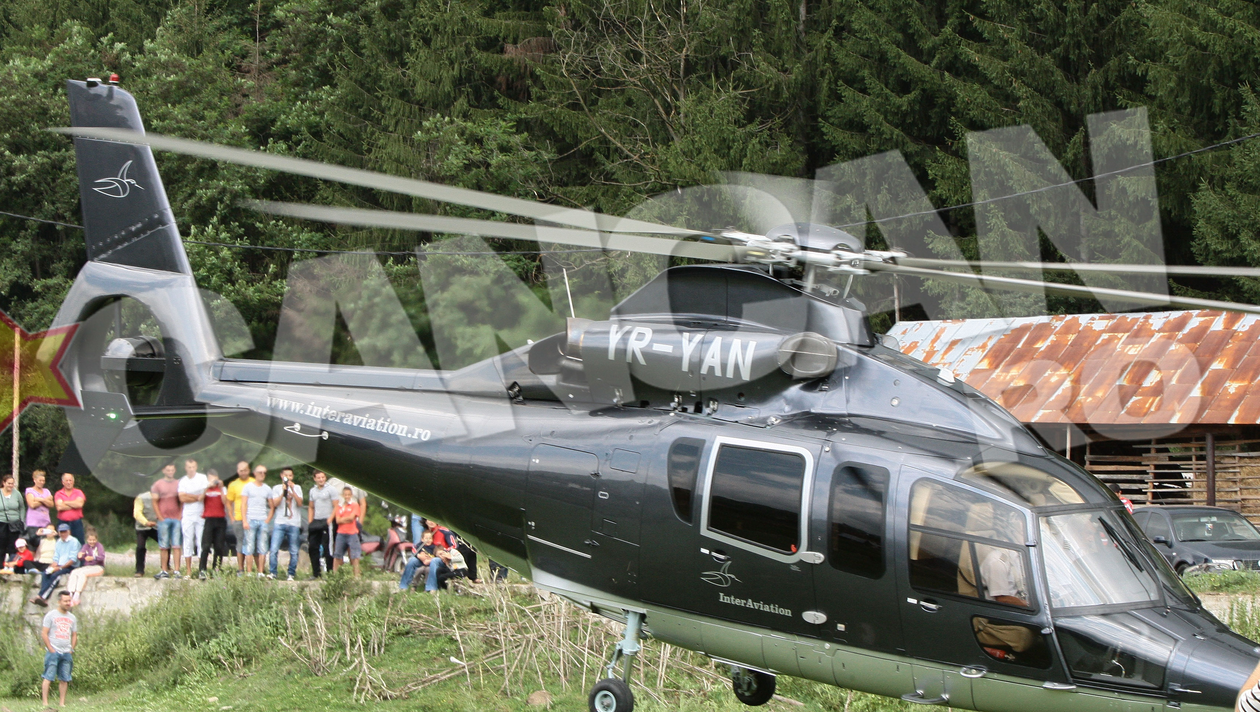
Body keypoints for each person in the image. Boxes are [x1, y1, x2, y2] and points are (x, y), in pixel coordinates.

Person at [41, 590, 77, 709]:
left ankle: (62, 703)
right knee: (48, 677)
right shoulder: (51, 615)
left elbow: (74, 634)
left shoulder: (72, 617)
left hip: (66, 652)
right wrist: (50, 649)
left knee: (64, 678)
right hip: (53, 651)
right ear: (59, 601)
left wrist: (71, 649)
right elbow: (44, 633)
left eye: (69, 601)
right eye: (65, 601)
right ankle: (45, 702)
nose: (68, 603)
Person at [30, 524, 80, 607]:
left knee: (55, 576)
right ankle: (42, 598)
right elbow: (56, 557)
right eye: (61, 532)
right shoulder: (59, 542)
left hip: (70, 566)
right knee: (45, 573)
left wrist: (60, 568)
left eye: (64, 532)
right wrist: (53, 566)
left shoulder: (74, 542)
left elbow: (72, 560)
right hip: (59, 564)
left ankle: (41, 596)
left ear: (69, 532)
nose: (63, 534)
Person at [267, 468, 303, 580]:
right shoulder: (276, 488)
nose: (288, 478)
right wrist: (283, 492)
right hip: (280, 522)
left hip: (294, 523)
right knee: (274, 549)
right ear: (281, 476)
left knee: (294, 550)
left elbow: (300, 503)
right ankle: (273, 572)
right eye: (286, 475)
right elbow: (275, 504)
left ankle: (291, 574)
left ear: (293, 477)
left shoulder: (297, 487)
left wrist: (293, 490)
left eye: (290, 475)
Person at [177, 458, 208, 576]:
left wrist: (189, 496)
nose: (191, 469)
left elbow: (204, 495)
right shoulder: (183, 481)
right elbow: (182, 498)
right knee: (187, 541)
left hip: (200, 514)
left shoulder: (202, 478)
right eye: (189, 467)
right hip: (187, 514)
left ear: (196, 467)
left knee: (200, 541)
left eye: (193, 467)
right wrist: (196, 497)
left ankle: (201, 570)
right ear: (186, 468)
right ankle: (188, 571)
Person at [150, 464, 182, 579]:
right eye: (168, 470)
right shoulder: (158, 484)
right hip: (163, 518)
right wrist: (159, 517)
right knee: (163, 546)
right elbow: (154, 502)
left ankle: (177, 570)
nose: (170, 472)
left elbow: (182, 500)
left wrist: (180, 515)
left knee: (176, 545)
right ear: (164, 470)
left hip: (176, 518)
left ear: (175, 470)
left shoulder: (179, 484)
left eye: (172, 470)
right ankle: (164, 570)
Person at [240, 465, 272, 577]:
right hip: (250, 519)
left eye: (264, 473)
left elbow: (272, 506)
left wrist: (267, 520)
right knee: (249, 546)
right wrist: (245, 520)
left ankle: (260, 572)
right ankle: (249, 572)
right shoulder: (248, 487)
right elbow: (243, 504)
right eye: (260, 472)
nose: (262, 474)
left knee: (262, 547)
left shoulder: (267, 488)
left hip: (262, 520)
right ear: (255, 473)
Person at [307, 471, 336, 578]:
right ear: (314, 478)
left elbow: (336, 506)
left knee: (327, 547)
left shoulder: (331, 489)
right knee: (312, 547)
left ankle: (330, 573)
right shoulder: (312, 491)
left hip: (327, 520)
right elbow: (311, 506)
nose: (321, 479)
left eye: (323, 477)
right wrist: (310, 521)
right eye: (318, 477)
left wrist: (330, 520)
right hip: (316, 520)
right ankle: (316, 573)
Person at [199, 471, 228, 578]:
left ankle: (216, 569)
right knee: (206, 546)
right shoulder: (205, 488)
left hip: (220, 519)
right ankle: (202, 570)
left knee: (219, 546)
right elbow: (200, 499)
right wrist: (207, 487)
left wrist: (221, 488)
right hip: (209, 519)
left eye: (215, 479)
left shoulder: (222, 489)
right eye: (211, 479)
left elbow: (225, 502)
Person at [66, 528, 104, 607]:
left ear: (96, 539)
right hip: (87, 566)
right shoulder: (85, 546)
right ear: (87, 540)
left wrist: (93, 558)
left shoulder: (99, 546)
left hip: (98, 567)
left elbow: (102, 557)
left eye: (93, 540)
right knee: (74, 572)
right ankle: (70, 592)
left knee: (83, 574)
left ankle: (77, 594)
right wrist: (80, 556)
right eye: (90, 540)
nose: (92, 542)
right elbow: (81, 556)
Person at [225, 460, 251, 574]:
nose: (243, 472)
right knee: (240, 543)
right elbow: (228, 502)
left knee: (251, 543)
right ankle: (240, 569)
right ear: (237, 471)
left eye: (245, 470)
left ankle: (253, 570)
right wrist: (231, 517)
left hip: (251, 518)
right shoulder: (233, 485)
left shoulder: (253, 482)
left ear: (249, 470)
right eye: (241, 471)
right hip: (239, 518)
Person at [332, 486, 361, 577]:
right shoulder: (339, 507)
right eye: (345, 495)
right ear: (342, 495)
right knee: (337, 555)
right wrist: (346, 519)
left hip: (352, 533)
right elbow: (337, 520)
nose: (347, 496)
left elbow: (352, 518)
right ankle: (335, 576)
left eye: (349, 495)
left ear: (351, 495)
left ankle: (356, 576)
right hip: (341, 533)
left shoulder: (355, 505)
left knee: (355, 556)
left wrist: (343, 519)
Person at [53, 473, 86, 546]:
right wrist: (74, 505)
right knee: (62, 543)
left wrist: (65, 502)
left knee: (79, 542)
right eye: (66, 480)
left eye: (70, 480)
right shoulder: (58, 493)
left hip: (76, 523)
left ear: (73, 482)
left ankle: (80, 554)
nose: (68, 482)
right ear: (63, 482)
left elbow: (79, 504)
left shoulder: (79, 492)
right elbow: (59, 507)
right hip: (62, 522)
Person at [132, 490, 159, 577]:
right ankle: (139, 570)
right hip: (142, 527)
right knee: (140, 547)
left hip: (156, 526)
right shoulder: (141, 497)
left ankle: (166, 567)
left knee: (165, 544)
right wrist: (146, 522)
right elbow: (137, 513)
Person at [0, 473, 25, 560]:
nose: (11, 485)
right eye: (9, 483)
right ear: (4, 483)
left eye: (12, 483)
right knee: (1, 545)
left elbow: (22, 507)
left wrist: (21, 520)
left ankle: (12, 564)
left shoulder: (17, 494)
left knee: (13, 546)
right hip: (1, 523)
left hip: (14, 524)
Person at [24, 469, 52, 543]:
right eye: (40, 480)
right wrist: (45, 500)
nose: (42, 482)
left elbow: (51, 504)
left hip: (46, 523)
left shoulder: (46, 491)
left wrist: (39, 499)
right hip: (33, 523)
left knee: (45, 543)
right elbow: (32, 505)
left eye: (43, 481)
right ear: (35, 480)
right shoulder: (30, 490)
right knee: (34, 543)